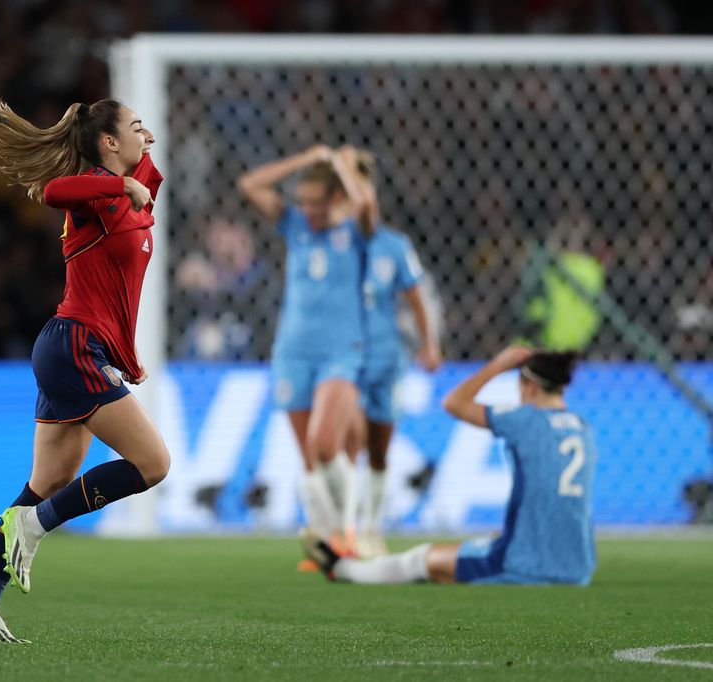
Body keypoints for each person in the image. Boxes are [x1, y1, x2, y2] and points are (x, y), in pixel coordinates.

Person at [0, 99, 170, 643]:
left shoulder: (132, 182)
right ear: (108, 143)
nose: (144, 129)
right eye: (132, 125)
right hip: (76, 345)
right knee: (152, 463)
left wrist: (135, 167)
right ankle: (36, 523)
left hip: (70, 348)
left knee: (48, 482)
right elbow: (55, 191)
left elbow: (149, 179)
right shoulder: (95, 192)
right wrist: (121, 185)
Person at [304, 346, 598, 586]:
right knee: (472, 549)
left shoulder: (522, 420)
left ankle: (342, 569)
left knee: (422, 560)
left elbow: (454, 403)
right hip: (578, 567)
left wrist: (499, 363)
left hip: (527, 565)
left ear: (530, 387)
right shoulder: (582, 428)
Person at [237, 145, 372, 559]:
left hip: (341, 351)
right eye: (303, 201)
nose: (308, 209)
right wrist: (305, 160)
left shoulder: (357, 230)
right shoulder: (293, 224)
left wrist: (341, 166)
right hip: (293, 352)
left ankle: (346, 531)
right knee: (311, 457)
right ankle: (329, 542)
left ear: (335, 198)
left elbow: (365, 202)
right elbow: (250, 184)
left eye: (316, 201)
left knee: (326, 442)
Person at [349, 149, 442, 557]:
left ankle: (371, 527)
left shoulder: (394, 246)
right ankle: (343, 530)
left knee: (379, 448)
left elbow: (417, 297)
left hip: (387, 358)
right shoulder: (332, 244)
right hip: (344, 358)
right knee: (344, 444)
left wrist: (430, 343)